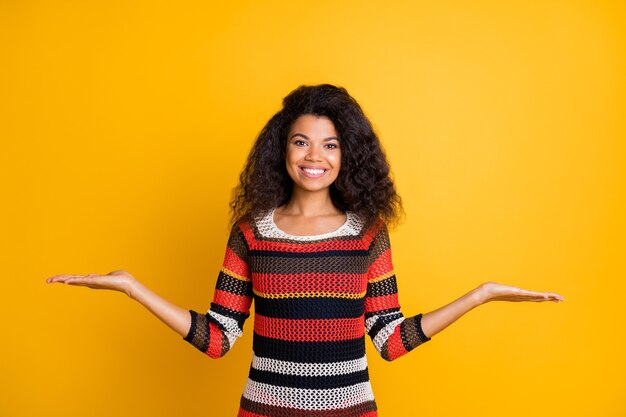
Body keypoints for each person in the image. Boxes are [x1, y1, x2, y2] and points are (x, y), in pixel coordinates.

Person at [46, 84, 564, 417]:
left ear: (348, 155)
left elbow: (390, 339)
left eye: (330, 144)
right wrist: (133, 287)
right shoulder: (251, 232)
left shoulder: (368, 232)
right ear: (282, 150)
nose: (314, 156)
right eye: (301, 142)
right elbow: (218, 338)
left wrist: (481, 295)